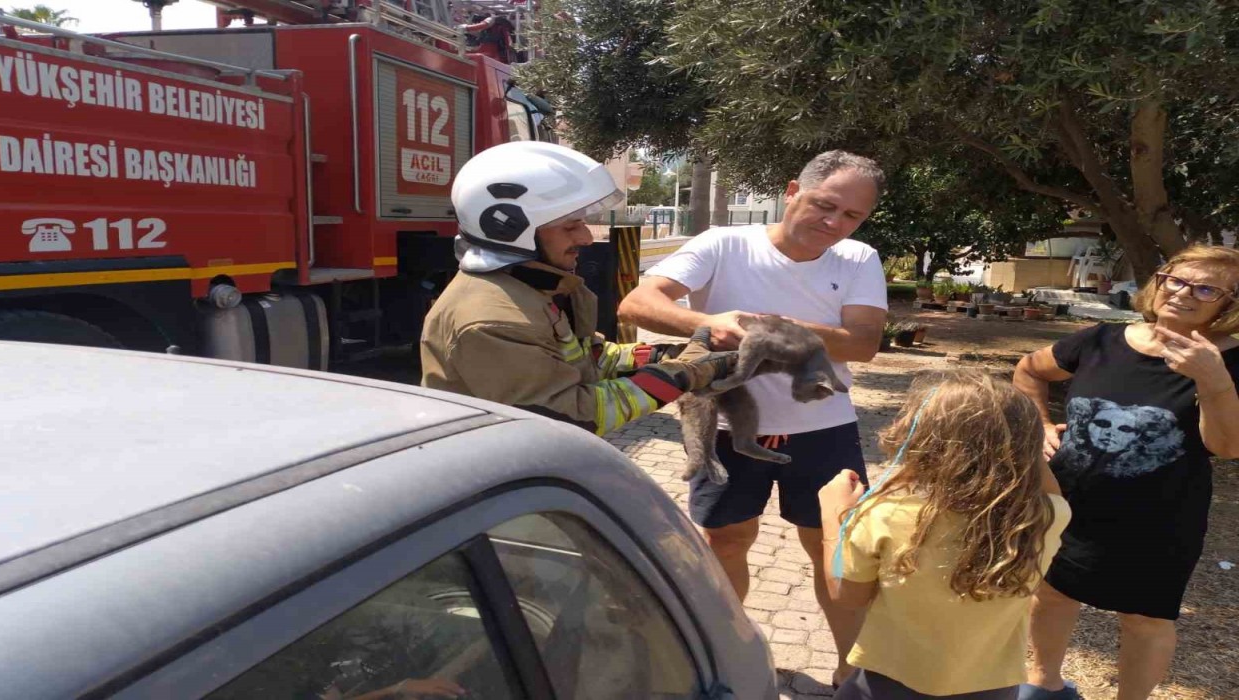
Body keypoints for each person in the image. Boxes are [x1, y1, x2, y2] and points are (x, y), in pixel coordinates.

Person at [618, 150, 889, 685]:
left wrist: (775, 327)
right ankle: (727, 660)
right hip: (726, 424)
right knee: (727, 541)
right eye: (824, 205)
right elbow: (637, 304)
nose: (834, 223)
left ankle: (850, 676)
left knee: (835, 550)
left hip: (823, 428)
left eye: (851, 216)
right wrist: (707, 320)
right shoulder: (723, 244)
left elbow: (863, 344)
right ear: (792, 191)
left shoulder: (858, 259)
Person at [1013, 244, 1239, 700]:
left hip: (1160, 521)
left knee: (1145, 619)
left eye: (1206, 288)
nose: (1182, 292)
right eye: (1174, 279)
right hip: (1069, 505)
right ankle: (1044, 684)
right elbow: (1028, 370)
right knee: (1053, 594)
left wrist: (1211, 379)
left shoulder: (1229, 362)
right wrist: (1037, 425)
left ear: (1228, 305)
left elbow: (1227, 447)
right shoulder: (1100, 340)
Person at [420, 141, 736, 436]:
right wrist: (683, 374)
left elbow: (590, 359)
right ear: (508, 227)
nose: (586, 238)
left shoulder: (528, 290)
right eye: (571, 226)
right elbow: (576, 414)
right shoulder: (494, 321)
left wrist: (662, 354)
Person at [817, 371, 1072, 700]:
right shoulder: (1045, 518)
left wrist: (833, 516)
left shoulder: (886, 515)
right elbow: (1050, 491)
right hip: (992, 687)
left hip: (888, 683)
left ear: (921, 441)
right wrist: (1018, 442)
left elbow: (846, 596)